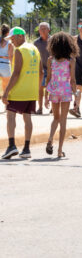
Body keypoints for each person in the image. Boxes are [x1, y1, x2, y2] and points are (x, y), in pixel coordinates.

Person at [1, 27, 41, 160]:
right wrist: (36, 87)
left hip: (19, 91)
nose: (11, 42)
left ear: (20, 36)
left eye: (12, 38)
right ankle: (26, 149)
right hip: (31, 91)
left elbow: (16, 73)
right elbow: (41, 72)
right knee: (27, 118)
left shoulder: (19, 50)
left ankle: (11, 145)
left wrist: (6, 92)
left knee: (10, 116)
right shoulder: (34, 49)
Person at [44, 32, 78, 158]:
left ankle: (50, 138)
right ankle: (59, 150)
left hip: (53, 91)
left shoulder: (50, 60)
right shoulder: (71, 61)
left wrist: (45, 97)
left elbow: (48, 79)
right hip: (65, 91)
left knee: (55, 118)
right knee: (63, 121)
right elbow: (73, 80)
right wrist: (76, 95)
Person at [33, 22, 51, 114]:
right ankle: (40, 108)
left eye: (44, 28)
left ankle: (53, 107)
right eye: (40, 29)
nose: (42, 31)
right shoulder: (36, 43)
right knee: (40, 88)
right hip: (41, 69)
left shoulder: (53, 41)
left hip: (53, 68)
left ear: (49, 30)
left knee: (53, 88)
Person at [0, 24, 15, 107]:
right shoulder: (9, 43)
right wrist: (12, 66)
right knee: (6, 87)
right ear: (8, 32)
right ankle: (6, 106)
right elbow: (10, 56)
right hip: (5, 65)